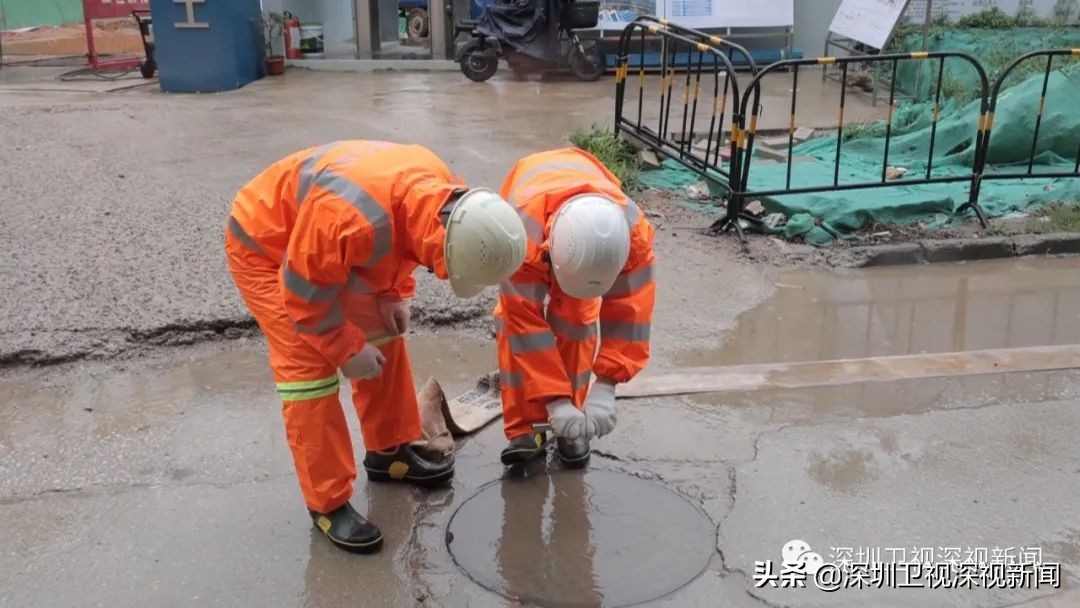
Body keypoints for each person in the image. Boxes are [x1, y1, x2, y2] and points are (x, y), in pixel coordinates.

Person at [224, 140, 527, 554]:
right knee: (308, 370)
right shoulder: (351, 219)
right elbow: (304, 295)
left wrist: (394, 295)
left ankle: (389, 452)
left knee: (383, 331)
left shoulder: (451, 199)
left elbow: (402, 242)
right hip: (268, 248)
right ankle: (327, 502)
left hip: (321, 246)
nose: (441, 274)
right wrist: (345, 348)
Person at [494, 147, 656, 468]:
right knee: (513, 325)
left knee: (577, 320)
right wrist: (554, 400)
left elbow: (631, 316)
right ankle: (526, 428)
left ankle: (573, 418)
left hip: (576, 216)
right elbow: (523, 326)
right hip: (533, 208)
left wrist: (607, 385)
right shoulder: (518, 238)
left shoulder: (633, 238)